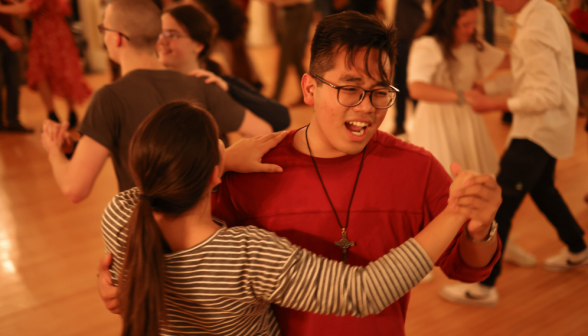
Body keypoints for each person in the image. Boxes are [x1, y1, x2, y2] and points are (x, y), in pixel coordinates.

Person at [98, 11, 503, 335]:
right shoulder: (254, 173)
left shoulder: (419, 169)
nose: (366, 106)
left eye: (380, 91)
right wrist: (122, 286)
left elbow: (468, 267)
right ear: (310, 89)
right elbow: (172, 240)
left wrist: (480, 229)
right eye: (350, 87)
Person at [103, 100, 484, 335]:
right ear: (213, 174)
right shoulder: (244, 256)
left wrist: (224, 158)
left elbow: (147, 189)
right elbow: (364, 291)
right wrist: (455, 213)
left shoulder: (119, 217)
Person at [40, 0, 272, 204]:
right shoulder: (198, 85)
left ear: (117, 37)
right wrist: (220, 162)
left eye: (104, 29)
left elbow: (75, 189)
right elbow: (263, 131)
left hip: (150, 236)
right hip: (207, 222)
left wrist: (53, 151)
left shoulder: (109, 99)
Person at [440, 0, 588, 307]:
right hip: (546, 127)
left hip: (537, 130)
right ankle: (578, 249)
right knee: (543, 189)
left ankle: (484, 286)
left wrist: (493, 104)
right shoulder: (542, 15)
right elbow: (531, 77)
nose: (493, 2)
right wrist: (491, 89)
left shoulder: (537, 23)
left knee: (499, 204)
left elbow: (545, 94)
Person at [158, 4, 290, 131]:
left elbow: (280, 118)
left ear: (198, 45)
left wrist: (229, 89)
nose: (161, 41)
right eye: (160, 33)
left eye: (172, 34)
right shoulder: (151, 82)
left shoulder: (214, 84)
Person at [0, 0, 91, 128]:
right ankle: (53, 113)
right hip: (42, 33)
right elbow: (28, 11)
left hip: (54, 33)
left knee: (62, 71)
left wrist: (2, 8)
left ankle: (69, 112)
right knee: (40, 73)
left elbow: (27, 8)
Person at [271, 0, 314, 104]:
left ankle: (275, 98)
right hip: (291, 11)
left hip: (298, 10)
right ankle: (310, 94)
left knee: (285, 56)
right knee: (295, 57)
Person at [0, 7, 31, 132]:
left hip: (11, 39)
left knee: (14, 81)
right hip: (8, 38)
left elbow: (20, 7)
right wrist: (8, 37)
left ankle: (13, 121)